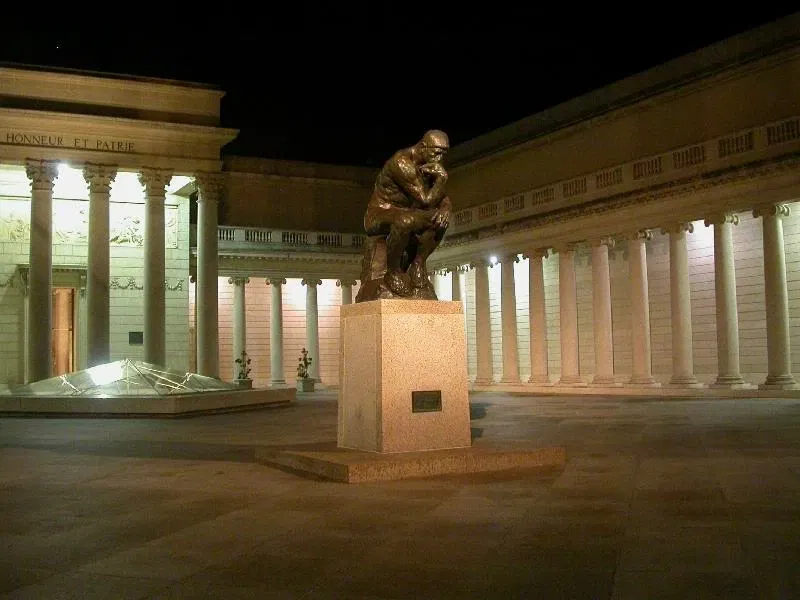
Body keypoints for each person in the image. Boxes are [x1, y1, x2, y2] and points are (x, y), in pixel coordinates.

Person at [363, 129, 452, 297]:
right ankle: (393, 272)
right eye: (437, 153)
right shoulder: (401, 163)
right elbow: (426, 200)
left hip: (408, 214)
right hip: (381, 213)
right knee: (406, 221)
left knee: (439, 219)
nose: (440, 159)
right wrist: (441, 179)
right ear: (423, 147)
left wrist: (446, 209)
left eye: (443, 154)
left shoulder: (430, 167)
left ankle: (418, 263)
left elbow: (442, 198)